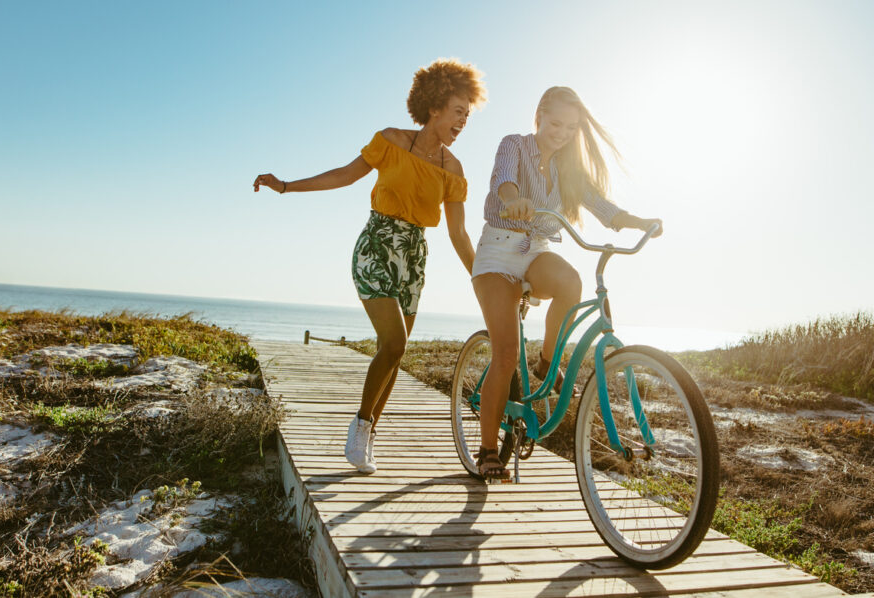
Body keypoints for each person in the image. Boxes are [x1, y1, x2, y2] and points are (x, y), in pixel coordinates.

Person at [253, 59, 486, 474]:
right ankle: (361, 426)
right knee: (394, 342)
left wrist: (483, 280)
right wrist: (287, 186)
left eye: (468, 114)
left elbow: (459, 235)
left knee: (392, 354)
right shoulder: (391, 140)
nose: (463, 120)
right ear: (434, 107)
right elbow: (345, 174)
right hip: (377, 245)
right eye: (458, 111)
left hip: (413, 258)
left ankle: (369, 430)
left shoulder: (453, 169)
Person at [470, 86, 662, 481]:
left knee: (571, 282)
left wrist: (639, 222)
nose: (561, 132)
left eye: (570, 127)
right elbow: (503, 179)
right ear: (539, 114)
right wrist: (513, 199)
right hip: (498, 252)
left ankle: (545, 360)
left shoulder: (568, 168)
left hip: (535, 250)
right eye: (555, 122)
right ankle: (488, 449)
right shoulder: (514, 145)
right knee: (505, 356)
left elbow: (602, 206)